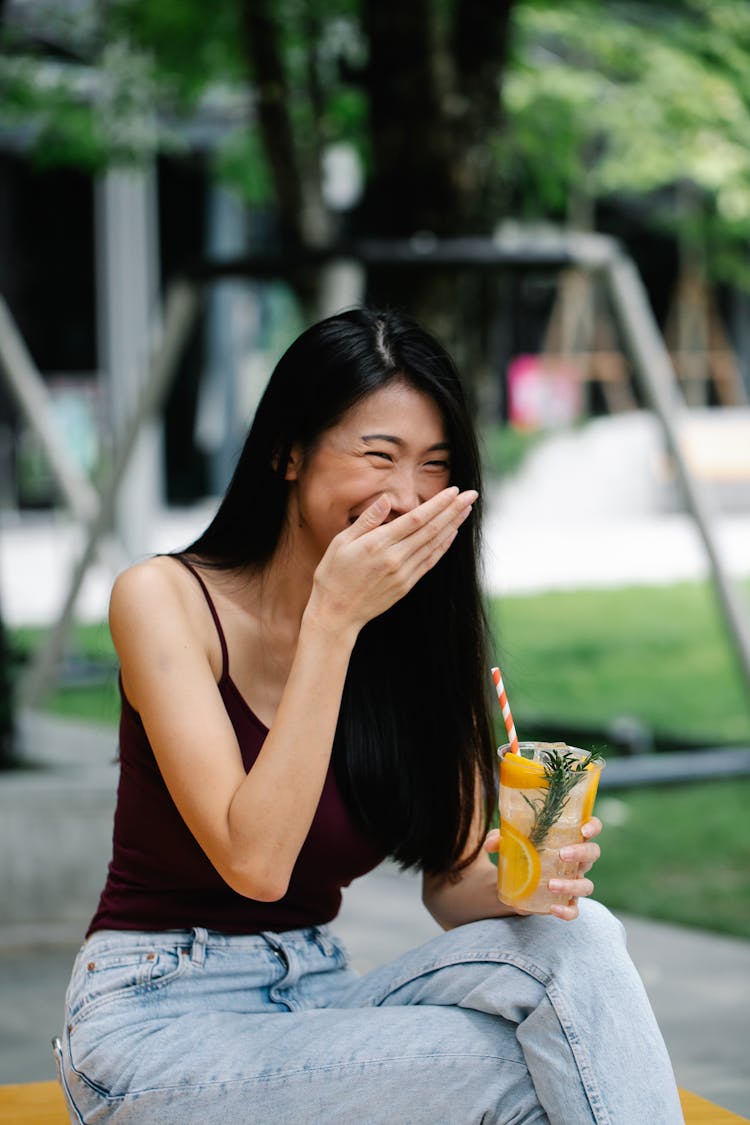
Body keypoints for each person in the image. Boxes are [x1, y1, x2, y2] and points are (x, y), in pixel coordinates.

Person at [55, 308, 683, 1124]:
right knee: (537, 1061)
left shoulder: (414, 627)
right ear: (288, 451)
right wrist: (333, 621)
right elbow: (255, 861)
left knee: (582, 942)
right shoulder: (164, 599)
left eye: (434, 465)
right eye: (378, 455)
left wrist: (526, 885)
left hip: (320, 998)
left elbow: (453, 882)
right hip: (154, 1022)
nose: (407, 495)